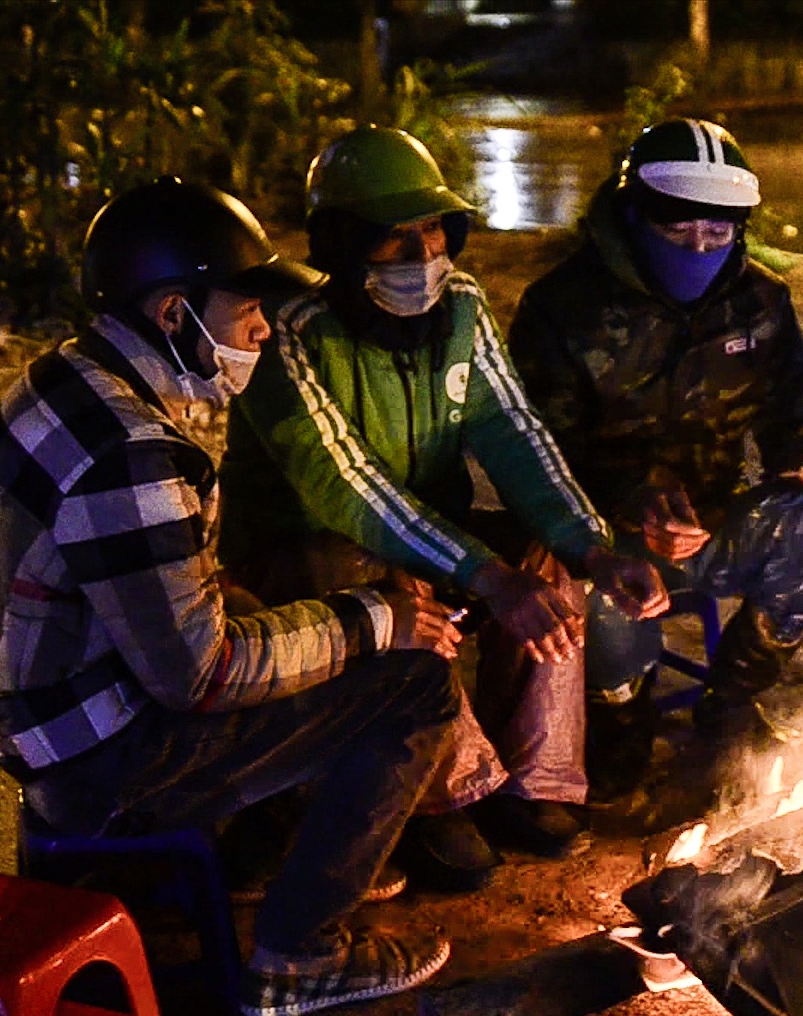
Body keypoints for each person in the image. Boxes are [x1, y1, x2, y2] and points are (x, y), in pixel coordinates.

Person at [0, 176, 467, 1016]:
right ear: (175, 314)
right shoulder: (131, 452)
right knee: (414, 684)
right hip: (89, 754)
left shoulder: (65, 378)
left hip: (34, 706)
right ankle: (300, 957)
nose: (261, 327)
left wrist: (334, 614)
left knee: (294, 595)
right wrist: (378, 621)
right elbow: (201, 677)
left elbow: (172, 596)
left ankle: (253, 856)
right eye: (245, 307)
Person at [217, 125, 667, 877]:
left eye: (433, 231)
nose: (423, 257)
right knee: (400, 594)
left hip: (428, 535)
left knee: (542, 565)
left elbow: (510, 429)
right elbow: (347, 485)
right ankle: (440, 796)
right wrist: (486, 576)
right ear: (340, 243)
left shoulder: (460, 307)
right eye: (394, 240)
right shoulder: (290, 336)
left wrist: (591, 546)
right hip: (306, 554)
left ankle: (529, 782)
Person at [507, 118, 803, 801]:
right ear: (634, 216)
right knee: (585, 589)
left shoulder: (759, 300)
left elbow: (796, 404)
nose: (700, 247)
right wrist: (628, 500)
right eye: (678, 231)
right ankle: (619, 718)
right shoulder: (562, 308)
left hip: (717, 522)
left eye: (718, 232)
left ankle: (730, 704)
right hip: (602, 536)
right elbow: (536, 451)